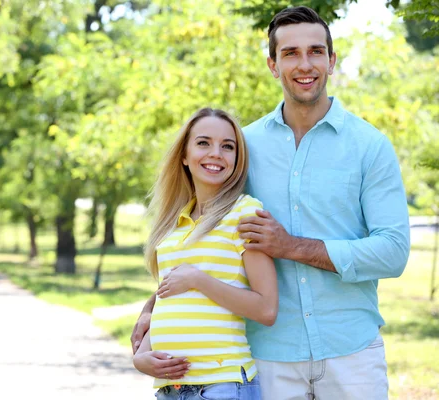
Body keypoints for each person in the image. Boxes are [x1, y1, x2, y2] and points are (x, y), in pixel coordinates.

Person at [131, 6, 410, 400]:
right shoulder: (241, 147)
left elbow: (393, 252)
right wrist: (151, 309)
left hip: (352, 351)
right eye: (290, 53)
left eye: (315, 51)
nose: (305, 64)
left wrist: (290, 247)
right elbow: (201, 239)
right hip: (268, 355)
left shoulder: (369, 146)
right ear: (273, 64)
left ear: (332, 61)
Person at [132, 107, 278, 400]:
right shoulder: (172, 225)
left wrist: (198, 279)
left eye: (228, 146)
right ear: (184, 156)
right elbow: (171, 300)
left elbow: (266, 309)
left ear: (237, 160)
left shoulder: (245, 213)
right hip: (170, 390)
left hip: (222, 386)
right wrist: (141, 357)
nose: (216, 153)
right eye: (203, 143)